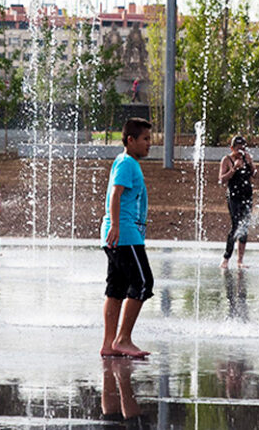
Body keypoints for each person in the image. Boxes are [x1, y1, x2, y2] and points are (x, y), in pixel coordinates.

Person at [100, 117, 153, 359]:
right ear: (130, 140)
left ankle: (109, 344)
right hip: (124, 234)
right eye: (145, 139)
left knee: (116, 288)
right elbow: (115, 194)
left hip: (119, 233)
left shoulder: (125, 161)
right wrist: (117, 227)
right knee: (143, 282)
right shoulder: (127, 163)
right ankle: (123, 339)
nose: (149, 144)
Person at [218, 135, 254, 269]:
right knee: (236, 225)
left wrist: (250, 164)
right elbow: (221, 179)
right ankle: (226, 258)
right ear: (231, 148)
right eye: (238, 148)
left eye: (243, 148)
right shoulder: (226, 160)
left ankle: (240, 260)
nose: (240, 151)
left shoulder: (247, 158)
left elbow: (254, 175)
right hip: (234, 197)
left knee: (244, 227)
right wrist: (234, 168)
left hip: (247, 195)